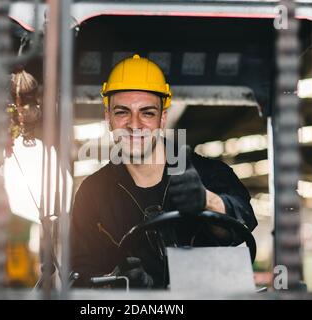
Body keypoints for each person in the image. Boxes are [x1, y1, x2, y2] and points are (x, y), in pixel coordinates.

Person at [70, 54, 257, 289]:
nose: (134, 125)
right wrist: (118, 281)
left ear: (163, 118)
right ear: (108, 117)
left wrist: (207, 201)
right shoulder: (92, 193)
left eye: (147, 113)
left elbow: (243, 220)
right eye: (122, 112)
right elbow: (80, 272)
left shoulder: (209, 173)